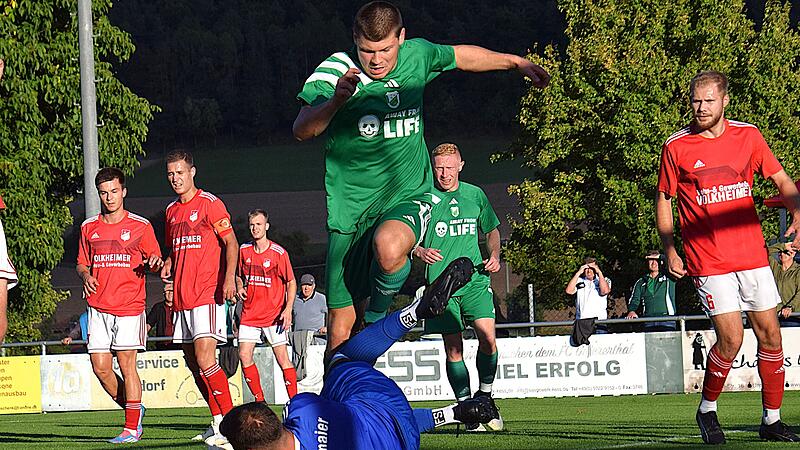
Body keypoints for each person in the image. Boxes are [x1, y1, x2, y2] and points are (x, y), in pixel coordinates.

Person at [293, 1, 550, 355]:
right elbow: (302, 129)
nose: (377, 59)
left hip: (408, 195)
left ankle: (381, 315)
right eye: (368, 51)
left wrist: (515, 62)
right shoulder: (335, 70)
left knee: (389, 245)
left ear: (402, 37)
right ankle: (338, 404)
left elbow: (461, 55)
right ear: (355, 40)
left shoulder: (418, 56)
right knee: (339, 331)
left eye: (385, 49)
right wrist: (336, 102)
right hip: (349, 211)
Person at [220, 257, 498, 450]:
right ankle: (415, 312)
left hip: (407, 440)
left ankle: (454, 413)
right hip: (382, 400)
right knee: (341, 362)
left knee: (372, 425)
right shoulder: (300, 407)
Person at [656, 70, 800, 444]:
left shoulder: (748, 136)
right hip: (709, 259)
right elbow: (664, 199)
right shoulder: (676, 146)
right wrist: (670, 248)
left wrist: (796, 207)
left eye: (708, 100)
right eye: (695, 100)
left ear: (725, 101)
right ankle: (707, 410)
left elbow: (782, 180)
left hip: (751, 254)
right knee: (731, 339)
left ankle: (771, 420)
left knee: (771, 336)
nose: (700, 107)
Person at [413, 143, 502, 431]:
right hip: (441, 288)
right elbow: (405, 239)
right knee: (454, 350)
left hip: (475, 280)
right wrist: (418, 250)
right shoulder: (423, 198)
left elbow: (492, 230)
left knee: (488, 340)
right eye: (439, 167)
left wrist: (495, 255)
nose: (445, 173)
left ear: (461, 165)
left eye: (450, 167)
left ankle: (485, 399)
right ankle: (467, 410)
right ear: (432, 167)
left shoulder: (475, 195)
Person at [76, 167, 163, 443]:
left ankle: (131, 428)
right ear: (99, 195)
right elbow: (81, 263)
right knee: (100, 366)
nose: (109, 197)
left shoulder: (141, 226)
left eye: (114, 191)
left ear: (123, 192)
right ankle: (134, 409)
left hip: (129, 305)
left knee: (127, 364)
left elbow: (155, 259)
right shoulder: (89, 227)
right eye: (104, 193)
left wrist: (154, 263)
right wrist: (86, 275)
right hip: (98, 307)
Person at [159, 150, 239, 447]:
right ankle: (217, 421)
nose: (175, 178)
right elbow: (175, 249)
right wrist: (169, 261)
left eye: (180, 172)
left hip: (207, 293)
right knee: (193, 362)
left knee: (206, 359)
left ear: (192, 172)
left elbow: (231, 243)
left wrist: (229, 277)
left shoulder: (210, 204)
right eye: (170, 174)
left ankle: (232, 427)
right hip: (182, 297)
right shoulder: (170, 211)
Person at [235, 209, 298, 402]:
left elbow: (291, 282)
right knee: (244, 355)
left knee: (282, 359)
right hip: (250, 314)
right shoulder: (244, 250)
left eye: (259, 224)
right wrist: (239, 286)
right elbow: (238, 275)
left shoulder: (279, 253)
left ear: (266, 226)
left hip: (274, 315)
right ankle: (259, 400)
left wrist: (288, 309)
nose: (255, 228)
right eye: (252, 225)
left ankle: (296, 402)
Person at [625, 250, 677, 331]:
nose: (654, 263)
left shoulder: (669, 277)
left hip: (667, 319)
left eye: (657, 260)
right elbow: (634, 300)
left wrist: (661, 257)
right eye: (651, 260)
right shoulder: (641, 282)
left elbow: (673, 264)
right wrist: (632, 311)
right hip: (648, 320)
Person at [290, 274, 327, 381]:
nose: (306, 288)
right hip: (297, 342)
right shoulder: (294, 299)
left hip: (317, 343)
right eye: (304, 285)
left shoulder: (322, 299)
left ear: (314, 286)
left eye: (309, 285)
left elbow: (333, 315)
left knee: (316, 375)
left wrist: (326, 327)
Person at [565, 257, 611, 333]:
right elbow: (569, 291)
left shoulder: (604, 280)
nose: (589, 271)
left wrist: (599, 273)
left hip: (599, 322)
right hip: (582, 322)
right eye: (586, 268)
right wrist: (578, 273)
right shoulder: (579, 280)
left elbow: (604, 291)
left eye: (592, 268)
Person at [766, 241, 800, 327]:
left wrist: (790, 307)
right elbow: (763, 253)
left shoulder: (798, 271)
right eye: (780, 252)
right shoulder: (775, 267)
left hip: (794, 316)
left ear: (793, 254)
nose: (782, 254)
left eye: (785, 252)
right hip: (775, 315)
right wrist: (782, 246)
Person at [146, 281, 178, 350]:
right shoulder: (158, 307)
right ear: (164, 293)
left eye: (172, 291)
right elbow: (149, 323)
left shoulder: (180, 306)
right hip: (162, 345)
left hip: (178, 344)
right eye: (167, 291)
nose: (170, 293)